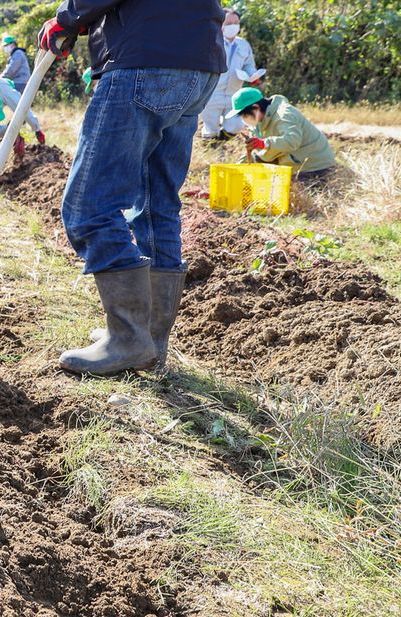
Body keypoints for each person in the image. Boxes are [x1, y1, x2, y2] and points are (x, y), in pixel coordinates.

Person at [37, 0, 225, 375]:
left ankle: (128, 338)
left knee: (89, 206)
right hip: (199, 64)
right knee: (157, 204)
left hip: (145, 60)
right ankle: (149, 339)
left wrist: (68, 17)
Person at [226, 87, 336, 180]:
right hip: (294, 161)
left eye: (244, 115)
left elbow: (292, 141)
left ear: (256, 108)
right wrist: (234, 176)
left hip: (315, 167)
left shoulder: (284, 114)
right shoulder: (258, 120)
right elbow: (254, 151)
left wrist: (264, 143)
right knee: (259, 165)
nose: (244, 119)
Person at [199, 9, 265, 139]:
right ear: (220, 24)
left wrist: (253, 75)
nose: (233, 26)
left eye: (236, 22)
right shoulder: (212, 42)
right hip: (212, 93)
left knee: (235, 126)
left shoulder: (243, 45)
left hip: (234, 94)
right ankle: (211, 144)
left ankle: (222, 141)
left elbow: (248, 65)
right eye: (228, 23)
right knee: (210, 128)